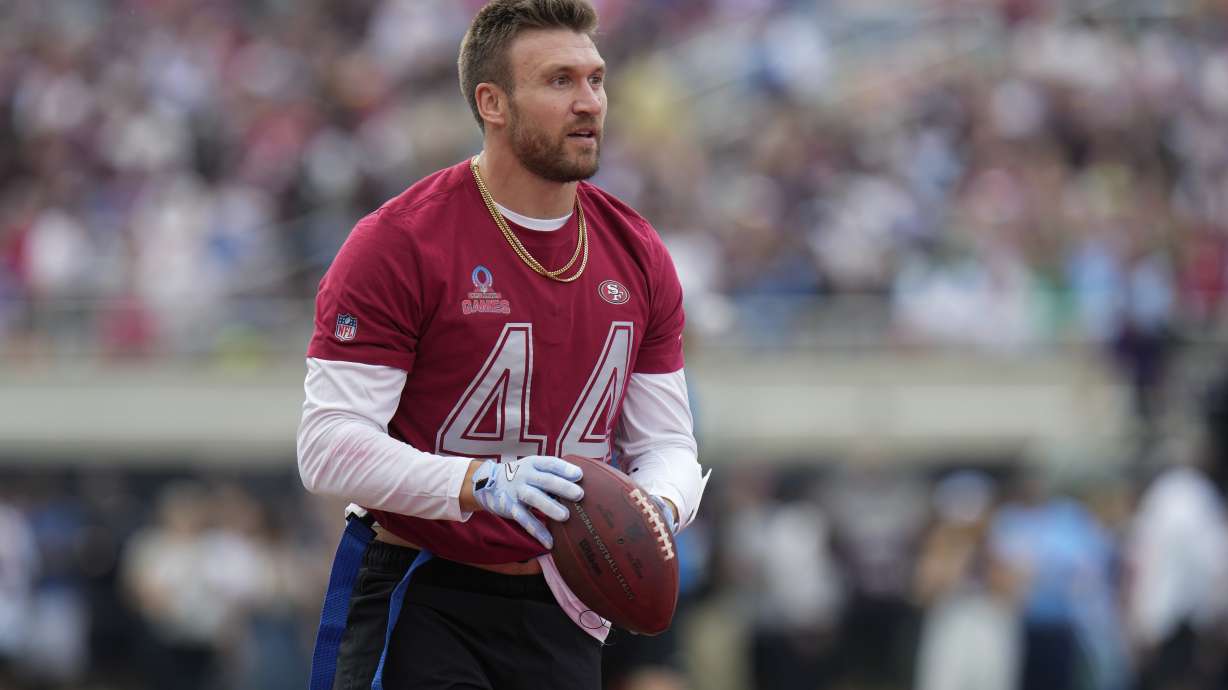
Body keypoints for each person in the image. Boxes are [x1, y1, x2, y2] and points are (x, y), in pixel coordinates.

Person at [295, 2, 708, 688]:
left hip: (565, 600)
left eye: (596, 80)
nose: (589, 103)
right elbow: (328, 445)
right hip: (422, 586)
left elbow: (667, 445)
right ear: (492, 102)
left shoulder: (638, 253)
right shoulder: (398, 242)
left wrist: (652, 509)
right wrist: (477, 482)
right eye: (559, 81)